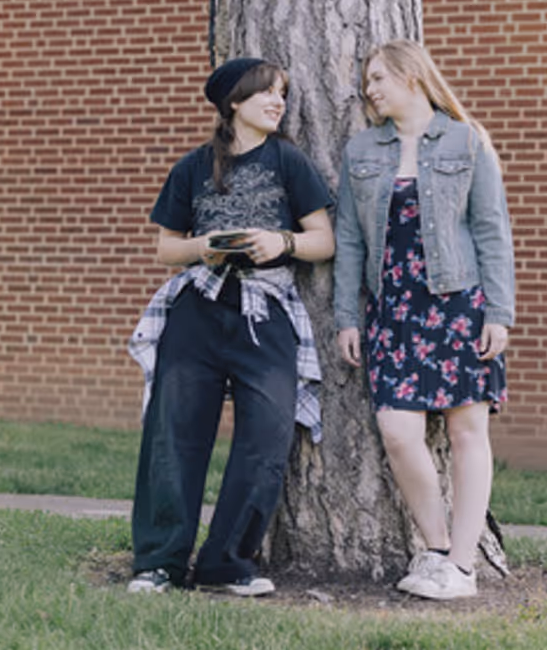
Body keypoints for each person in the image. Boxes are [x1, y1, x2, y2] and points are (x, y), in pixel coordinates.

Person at [126, 57, 335, 597]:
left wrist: (281, 243)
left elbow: (324, 240)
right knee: (174, 436)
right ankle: (160, 563)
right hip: (198, 310)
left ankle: (226, 564)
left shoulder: (290, 162)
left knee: (265, 437)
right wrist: (204, 248)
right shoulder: (192, 167)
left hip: (266, 315)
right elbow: (165, 248)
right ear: (234, 103)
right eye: (266, 93)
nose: (278, 102)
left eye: (282, 93)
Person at [334, 39, 515, 601]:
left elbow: (491, 230)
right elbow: (348, 240)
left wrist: (500, 313)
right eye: (368, 80)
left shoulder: (466, 140)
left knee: (467, 430)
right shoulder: (362, 150)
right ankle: (437, 549)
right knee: (398, 429)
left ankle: (462, 566)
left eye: (379, 78)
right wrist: (347, 316)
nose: (370, 89)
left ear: (412, 76)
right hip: (393, 310)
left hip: (459, 304)